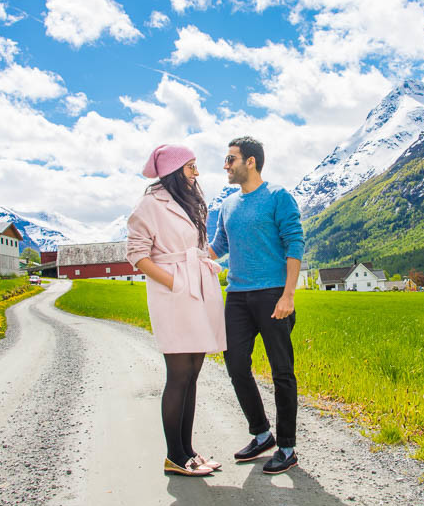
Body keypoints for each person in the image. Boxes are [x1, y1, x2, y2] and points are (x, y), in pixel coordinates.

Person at [126, 144, 226, 477]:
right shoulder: (148, 206)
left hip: (197, 288)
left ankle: (188, 451)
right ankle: (174, 456)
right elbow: (137, 255)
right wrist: (175, 283)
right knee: (179, 375)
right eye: (191, 167)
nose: (197, 173)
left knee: (193, 374)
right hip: (175, 294)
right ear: (173, 170)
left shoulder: (189, 202)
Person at [209, 136, 304, 474]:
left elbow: (295, 243)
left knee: (282, 371)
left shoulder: (278, 197)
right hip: (236, 296)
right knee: (235, 365)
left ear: (250, 161)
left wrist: (288, 295)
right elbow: (218, 246)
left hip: (273, 294)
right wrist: (185, 257)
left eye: (230, 158)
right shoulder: (227, 205)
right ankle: (262, 434)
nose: (226, 165)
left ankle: (288, 446)